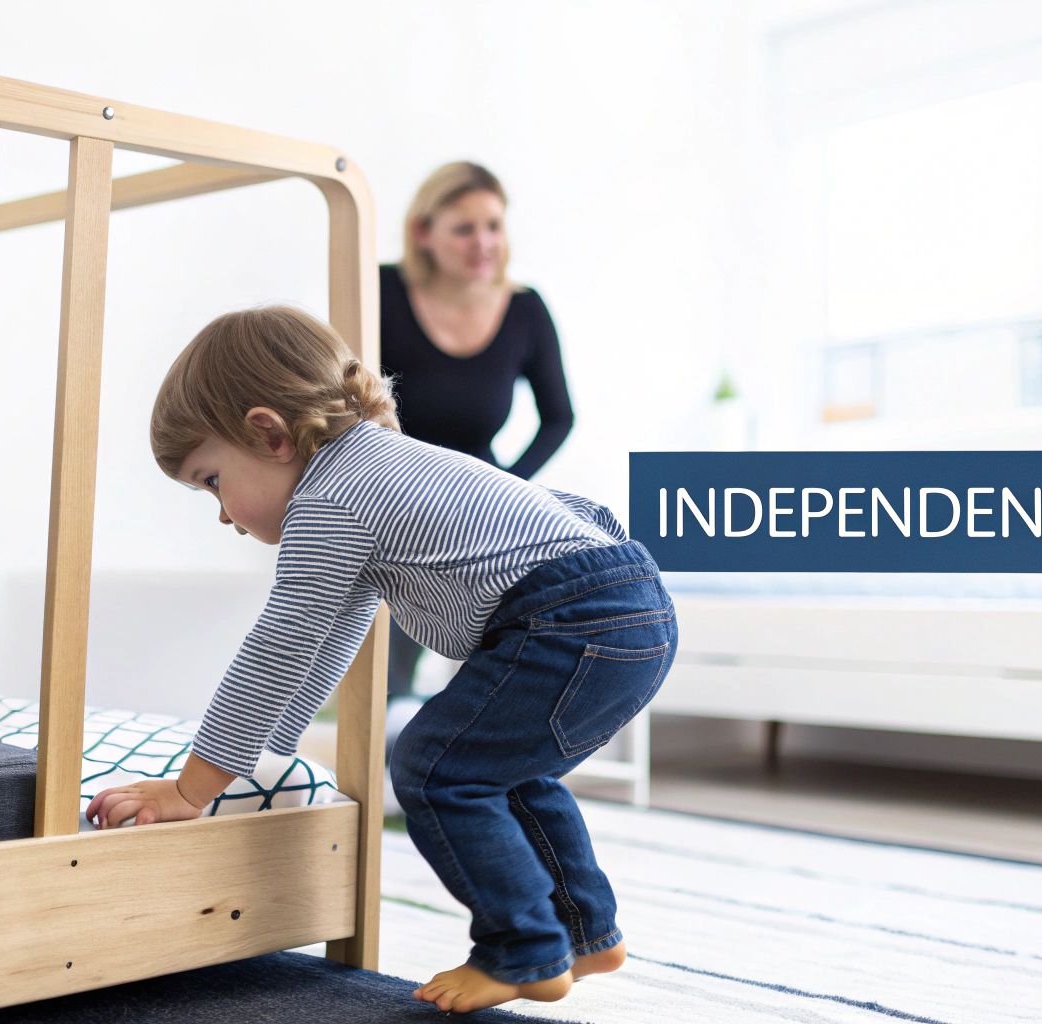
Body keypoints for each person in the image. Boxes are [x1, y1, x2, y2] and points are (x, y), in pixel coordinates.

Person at [88, 306, 676, 1014]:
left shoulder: (331, 497)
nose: (221, 513)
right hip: (627, 602)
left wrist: (193, 788)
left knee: (432, 764)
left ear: (268, 433)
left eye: (212, 480)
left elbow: (278, 645)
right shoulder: (373, 465)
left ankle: (524, 952)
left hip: (573, 613)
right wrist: (271, 751)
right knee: (500, 769)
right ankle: (585, 933)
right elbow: (337, 626)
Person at [381, 161, 574, 700]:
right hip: (396, 494)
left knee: (505, 627)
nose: (483, 242)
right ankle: (386, 734)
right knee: (394, 642)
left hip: (479, 497)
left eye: (493, 225)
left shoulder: (525, 309)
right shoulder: (381, 290)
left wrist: (508, 486)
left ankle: (475, 737)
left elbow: (559, 417)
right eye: (464, 228)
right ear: (424, 233)